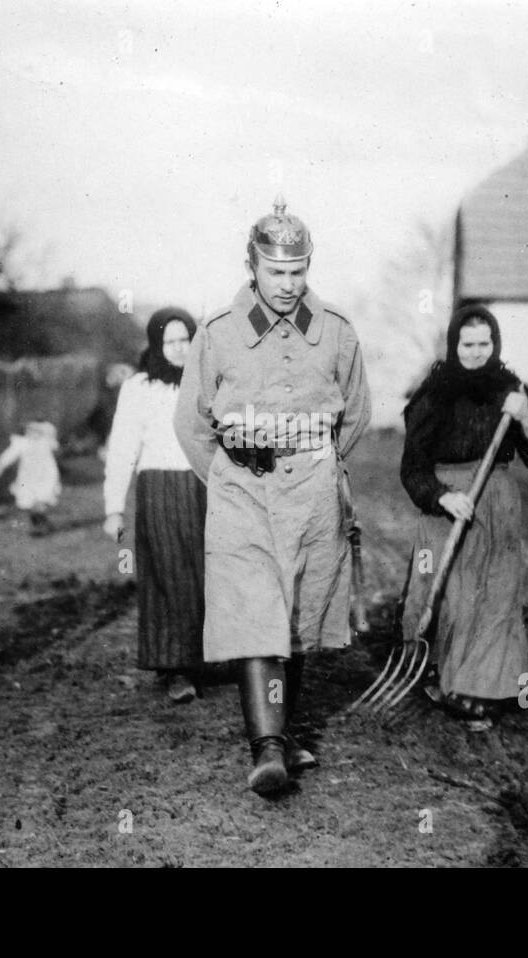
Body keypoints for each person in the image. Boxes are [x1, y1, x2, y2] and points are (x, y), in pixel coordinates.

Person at [175, 197, 371, 795]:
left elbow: (356, 414)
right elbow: (192, 424)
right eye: (276, 272)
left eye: (298, 272)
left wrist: (314, 469)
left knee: (299, 614)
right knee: (253, 609)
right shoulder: (218, 333)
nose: (288, 285)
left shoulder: (336, 330)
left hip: (312, 493)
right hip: (242, 490)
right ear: (251, 267)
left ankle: (284, 733)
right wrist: (237, 477)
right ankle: (267, 750)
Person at [399, 305, 528, 728]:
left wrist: (524, 416)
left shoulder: (511, 388)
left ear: (495, 344)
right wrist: (443, 497)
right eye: (466, 344)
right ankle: (444, 676)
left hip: (497, 503)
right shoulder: (434, 394)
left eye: (484, 344)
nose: (475, 353)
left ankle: (479, 690)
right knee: (456, 599)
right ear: (454, 345)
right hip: (448, 506)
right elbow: (411, 470)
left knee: (497, 595)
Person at [103, 308, 207, 704]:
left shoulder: (207, 382)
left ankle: (207, 659)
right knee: (170, 573)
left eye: (187, 340)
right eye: (171, 341)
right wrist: (114, 508)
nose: (180, 349)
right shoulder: (139, 387)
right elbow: (121, 450)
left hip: (205, 486)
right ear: (157, 344)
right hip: (160, 488)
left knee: (207, 572)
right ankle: (175, 667)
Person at [0, 420, 62, 536]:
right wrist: (0, 465)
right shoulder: (22, 443)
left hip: (45, 476)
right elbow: (10, 454)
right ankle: (39, 523)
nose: (33, 433)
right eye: (30, 430)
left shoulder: (45, 442)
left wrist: (47, 430)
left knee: (41, 499)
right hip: (28, 477)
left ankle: (40, 526)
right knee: (29, 501)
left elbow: (54, 441)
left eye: (37, 431)